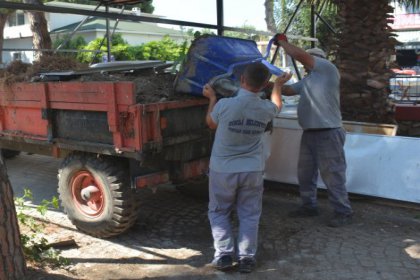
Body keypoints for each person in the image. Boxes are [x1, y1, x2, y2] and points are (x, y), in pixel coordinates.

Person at [202, 62, 291, 273]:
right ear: (262, 86)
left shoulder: (224, 105)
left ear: (242, 79)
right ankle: (246, 258)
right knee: (250, 214)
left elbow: (210, 123)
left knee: (219, 211)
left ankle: (223, 255)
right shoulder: (265, 109)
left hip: (223, 169)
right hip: (252, 169)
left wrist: (212, 99)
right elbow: (277, 106)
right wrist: (277, 85)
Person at [275, 34, 353, 227]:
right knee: (306, 173)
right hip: (310, 132)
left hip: (328, 132)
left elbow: (299, 55)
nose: (304, 64)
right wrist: (267, 83)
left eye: (308, 60)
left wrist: (283, 42)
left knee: (333, 174)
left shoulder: (327, 69)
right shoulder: (309, 80)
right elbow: (287, 91)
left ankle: (343, 211)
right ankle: (309, 206)